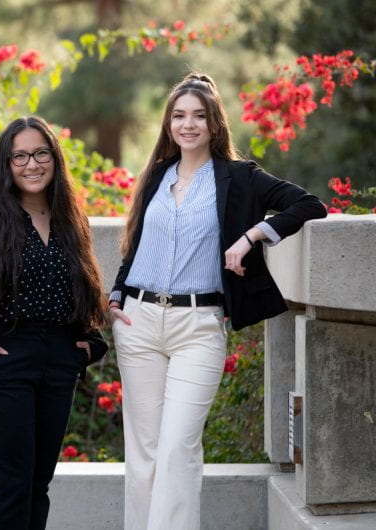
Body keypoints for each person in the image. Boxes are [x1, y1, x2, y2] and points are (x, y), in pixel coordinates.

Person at [108, 73, 327, 529]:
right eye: (179, 116)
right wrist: (116, 295)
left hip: (199, 326)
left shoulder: (240, 178)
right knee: (144, 451)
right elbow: (139, 243)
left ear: (214, 124)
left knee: (177, 447)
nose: (188, 125)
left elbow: (308, 204)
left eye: (198, 116)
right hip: (138, 323)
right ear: (169, 123)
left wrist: (251, 235)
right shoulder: (156, 175)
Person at [0, 116, 109, 530]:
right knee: (12, 483)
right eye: (20, 156)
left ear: (54, 158)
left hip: (59, 361)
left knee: (38, 483)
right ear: (7, 163)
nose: (32, 164)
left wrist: (89, 342)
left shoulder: (71, 220)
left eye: (41, 153)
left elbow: (82, 285)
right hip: (2, 357)